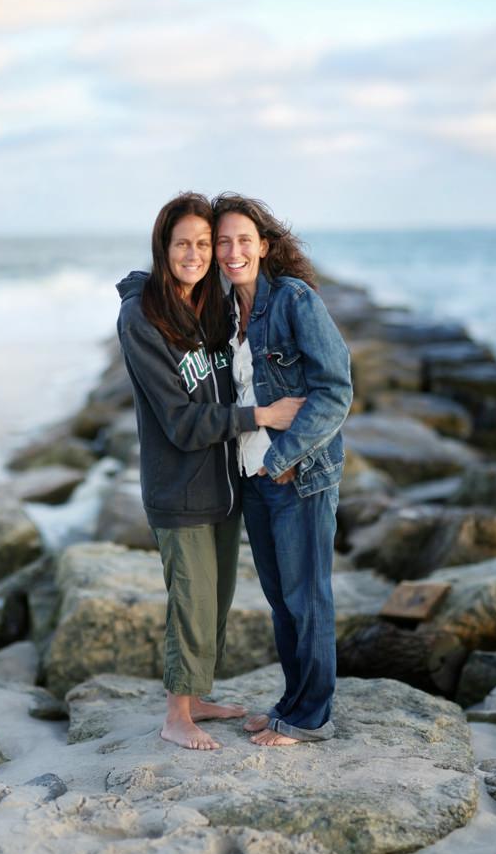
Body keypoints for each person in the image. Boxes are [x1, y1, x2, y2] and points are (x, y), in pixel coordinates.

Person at [115, 192, 304, 751]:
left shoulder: (211, 306)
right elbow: (177, 419)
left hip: (224, 483)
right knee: (190, 599)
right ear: (163, 247)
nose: (195, 255)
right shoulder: (142, 316)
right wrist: (262, 417)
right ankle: (177, 715)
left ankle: (197, 694)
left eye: (204, 244)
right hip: (178, 486)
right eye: (184, 245)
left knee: (216, 597)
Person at [212, 193, 353, 746]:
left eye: (243, 239)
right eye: (223, 241)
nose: (232, 251)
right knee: (280, 599)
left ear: (265, 246)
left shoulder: (294, 300)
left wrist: (284, 456)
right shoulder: (227, 312)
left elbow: (335, 390)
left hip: (299, 476)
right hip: (252, 477)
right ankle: (290, 703)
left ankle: (311, 717)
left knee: (307, 595)